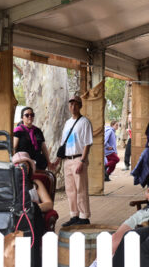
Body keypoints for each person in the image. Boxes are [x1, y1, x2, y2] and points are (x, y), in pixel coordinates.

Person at [52, 95, 94, 227]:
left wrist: (82, 161)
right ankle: (74, 215)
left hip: (78, 158)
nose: (73, 106)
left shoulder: (85, 122)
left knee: (81, 188)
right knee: (70, 190)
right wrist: (58, 160)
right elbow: (63, 143)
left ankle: (84, 216)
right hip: (67, 159)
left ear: (80, 106)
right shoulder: (67, 123)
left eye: (76, 104)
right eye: (71, 104)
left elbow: (87, 143)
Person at [13, 107, 52, 171]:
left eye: (32, 115)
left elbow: (43, 147)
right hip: (25, 164)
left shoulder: (38, 131)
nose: (30, 116)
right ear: (22, 117)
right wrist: (14, 163)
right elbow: (14, 147)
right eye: (27, 115)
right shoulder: (18, 130)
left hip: (39, 163)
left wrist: (48, 162)